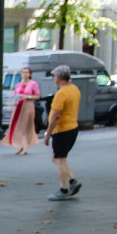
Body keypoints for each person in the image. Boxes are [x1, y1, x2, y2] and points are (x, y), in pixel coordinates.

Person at [44, 64, 82, 201]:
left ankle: (64, 189)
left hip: (62, 130)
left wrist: (48, 133)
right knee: (57, 158)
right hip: (73, 127)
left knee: (59, 160)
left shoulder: (61, 93)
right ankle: (72, 181)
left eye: (54, 76)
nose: (54, 78)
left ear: (58, 77)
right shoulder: (74, 89)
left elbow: (55, 116)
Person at [4, 66, 40, 155]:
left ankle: (25, 148)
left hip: (28, 106)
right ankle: (20, 146)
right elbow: (16, 95)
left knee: (24, 127)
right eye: (23, 72)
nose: (25, 74)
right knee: (17, 126)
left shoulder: (33, 83)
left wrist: (28, 96)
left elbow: (37, 96)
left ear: (30, 74)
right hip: (18, 106)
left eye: (27, 72)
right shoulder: (18, 85)